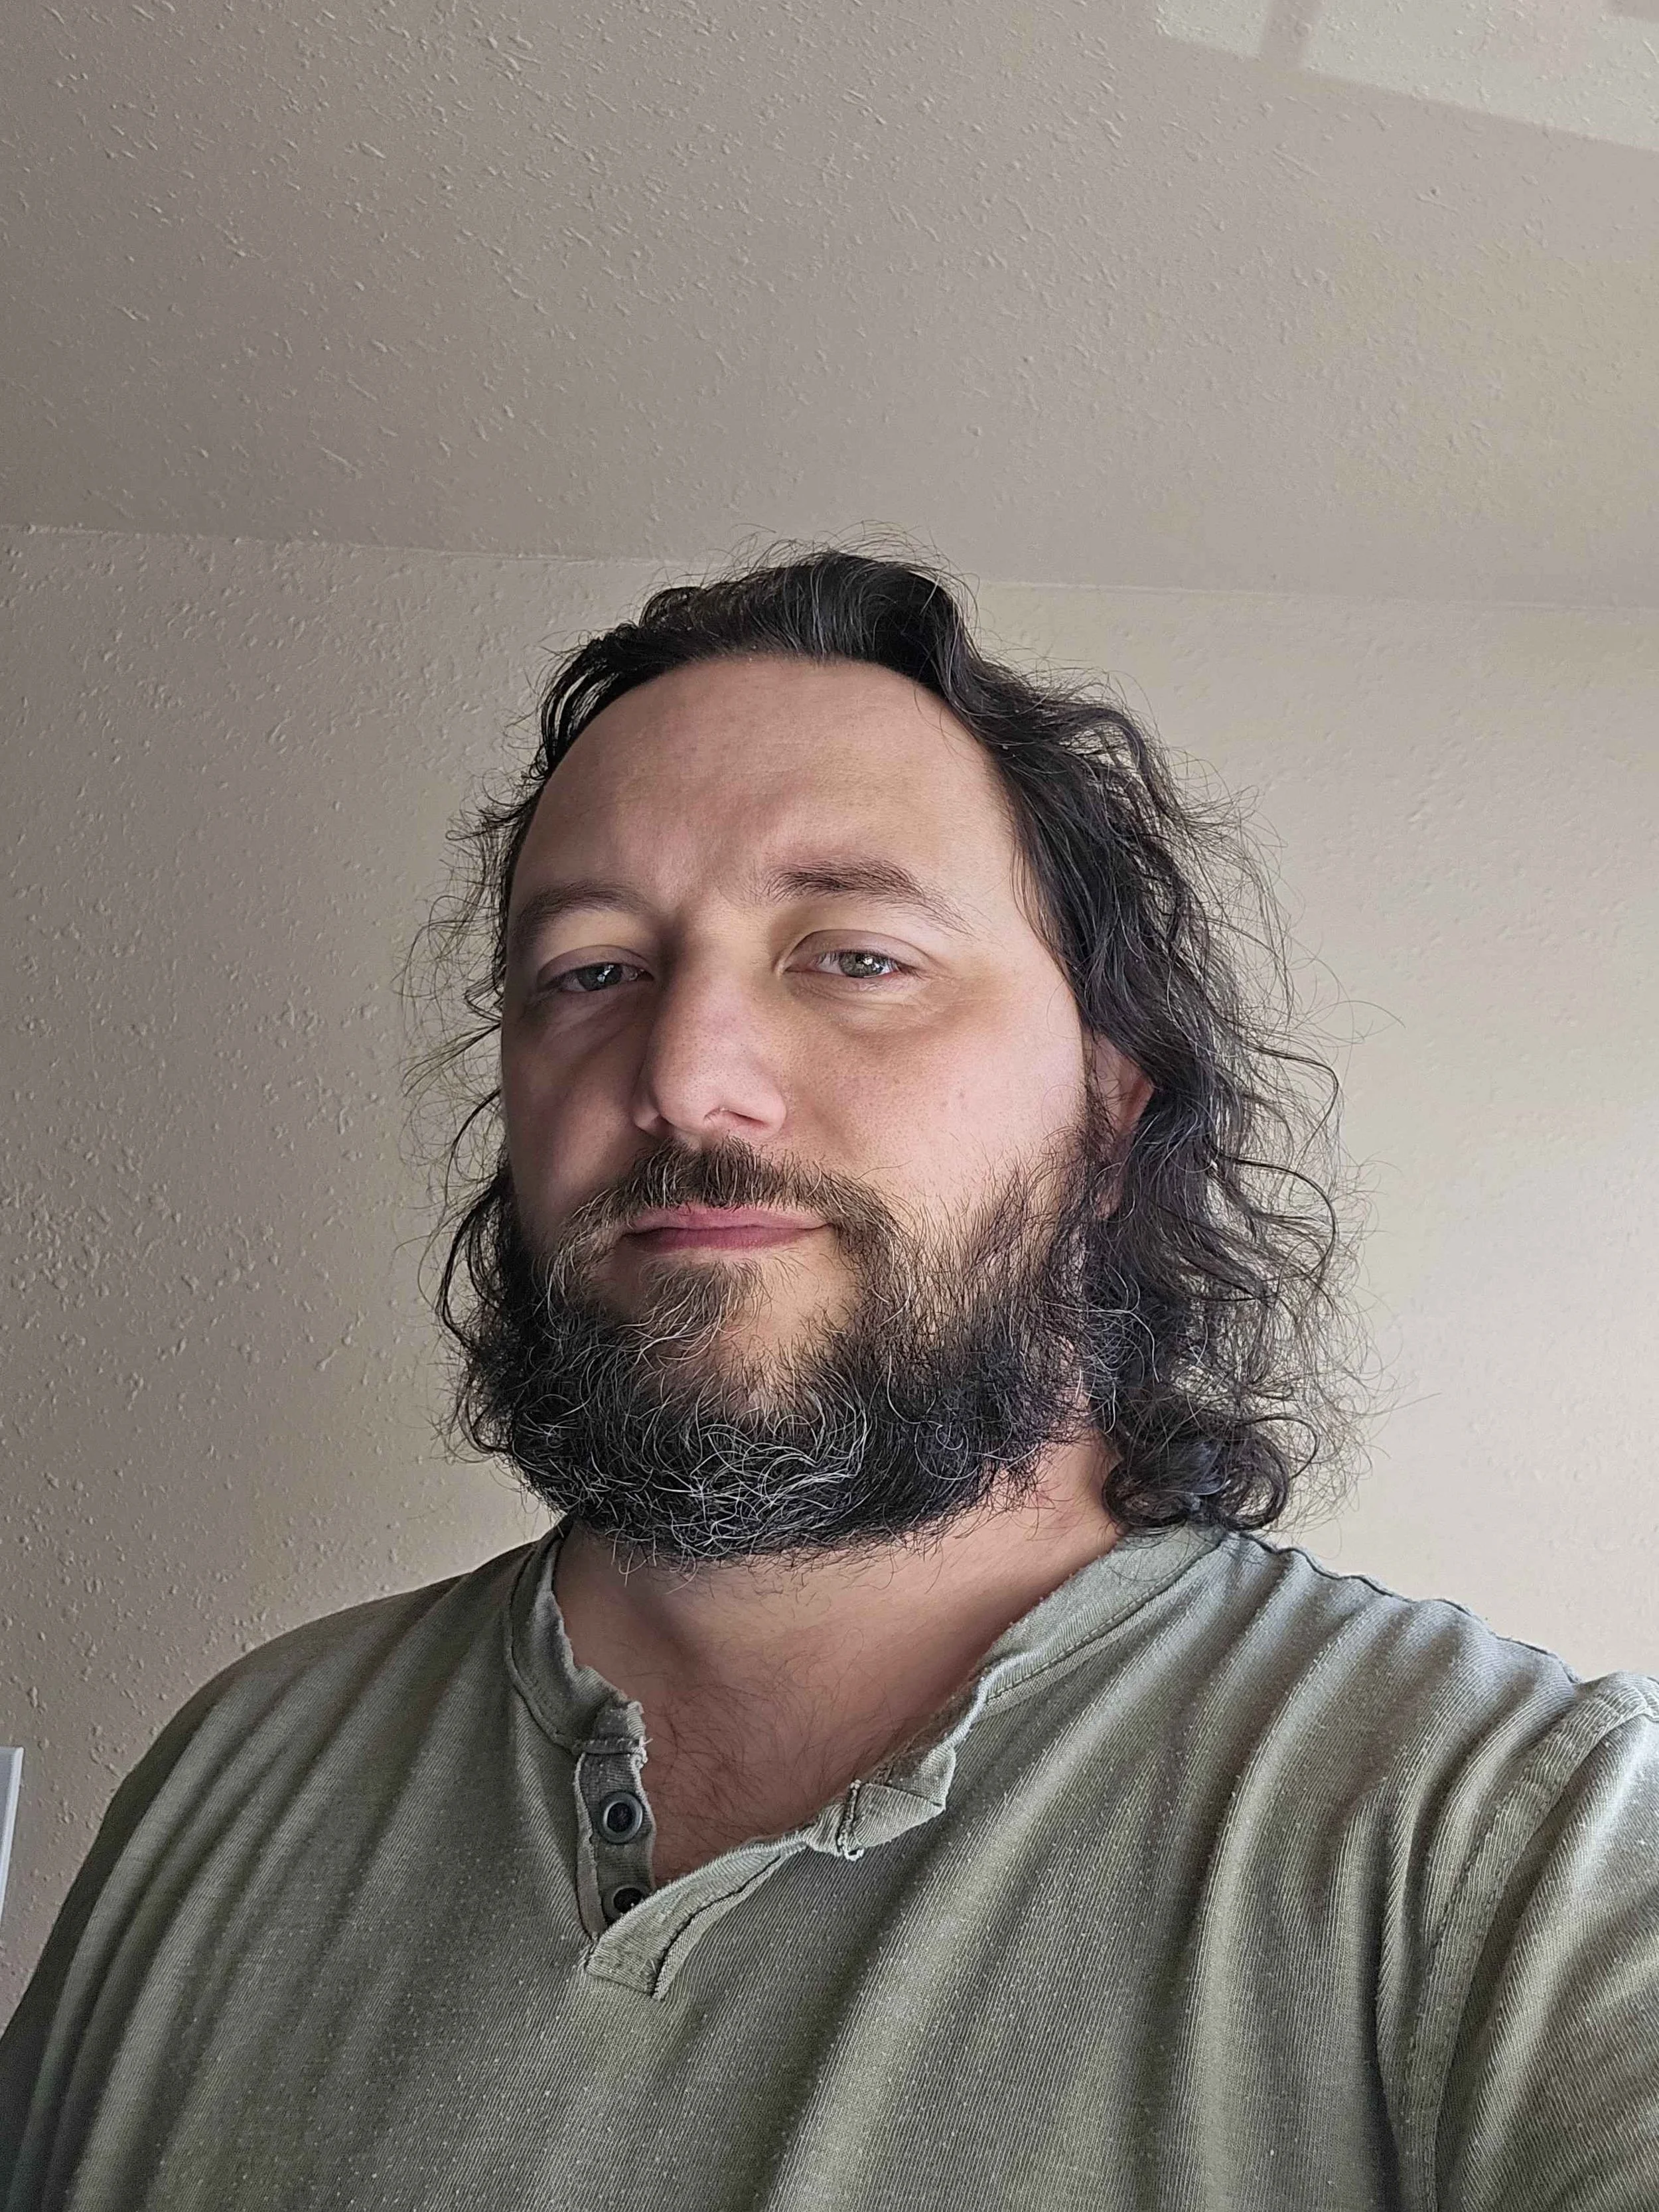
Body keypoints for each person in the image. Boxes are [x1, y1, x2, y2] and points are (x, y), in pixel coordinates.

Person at [3, 544, 1655, 2209]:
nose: (687, 1076)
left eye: (852, 954)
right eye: (591, 972)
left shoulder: (1514, 1853)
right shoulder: (234, 1771)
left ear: (1106, 1108)